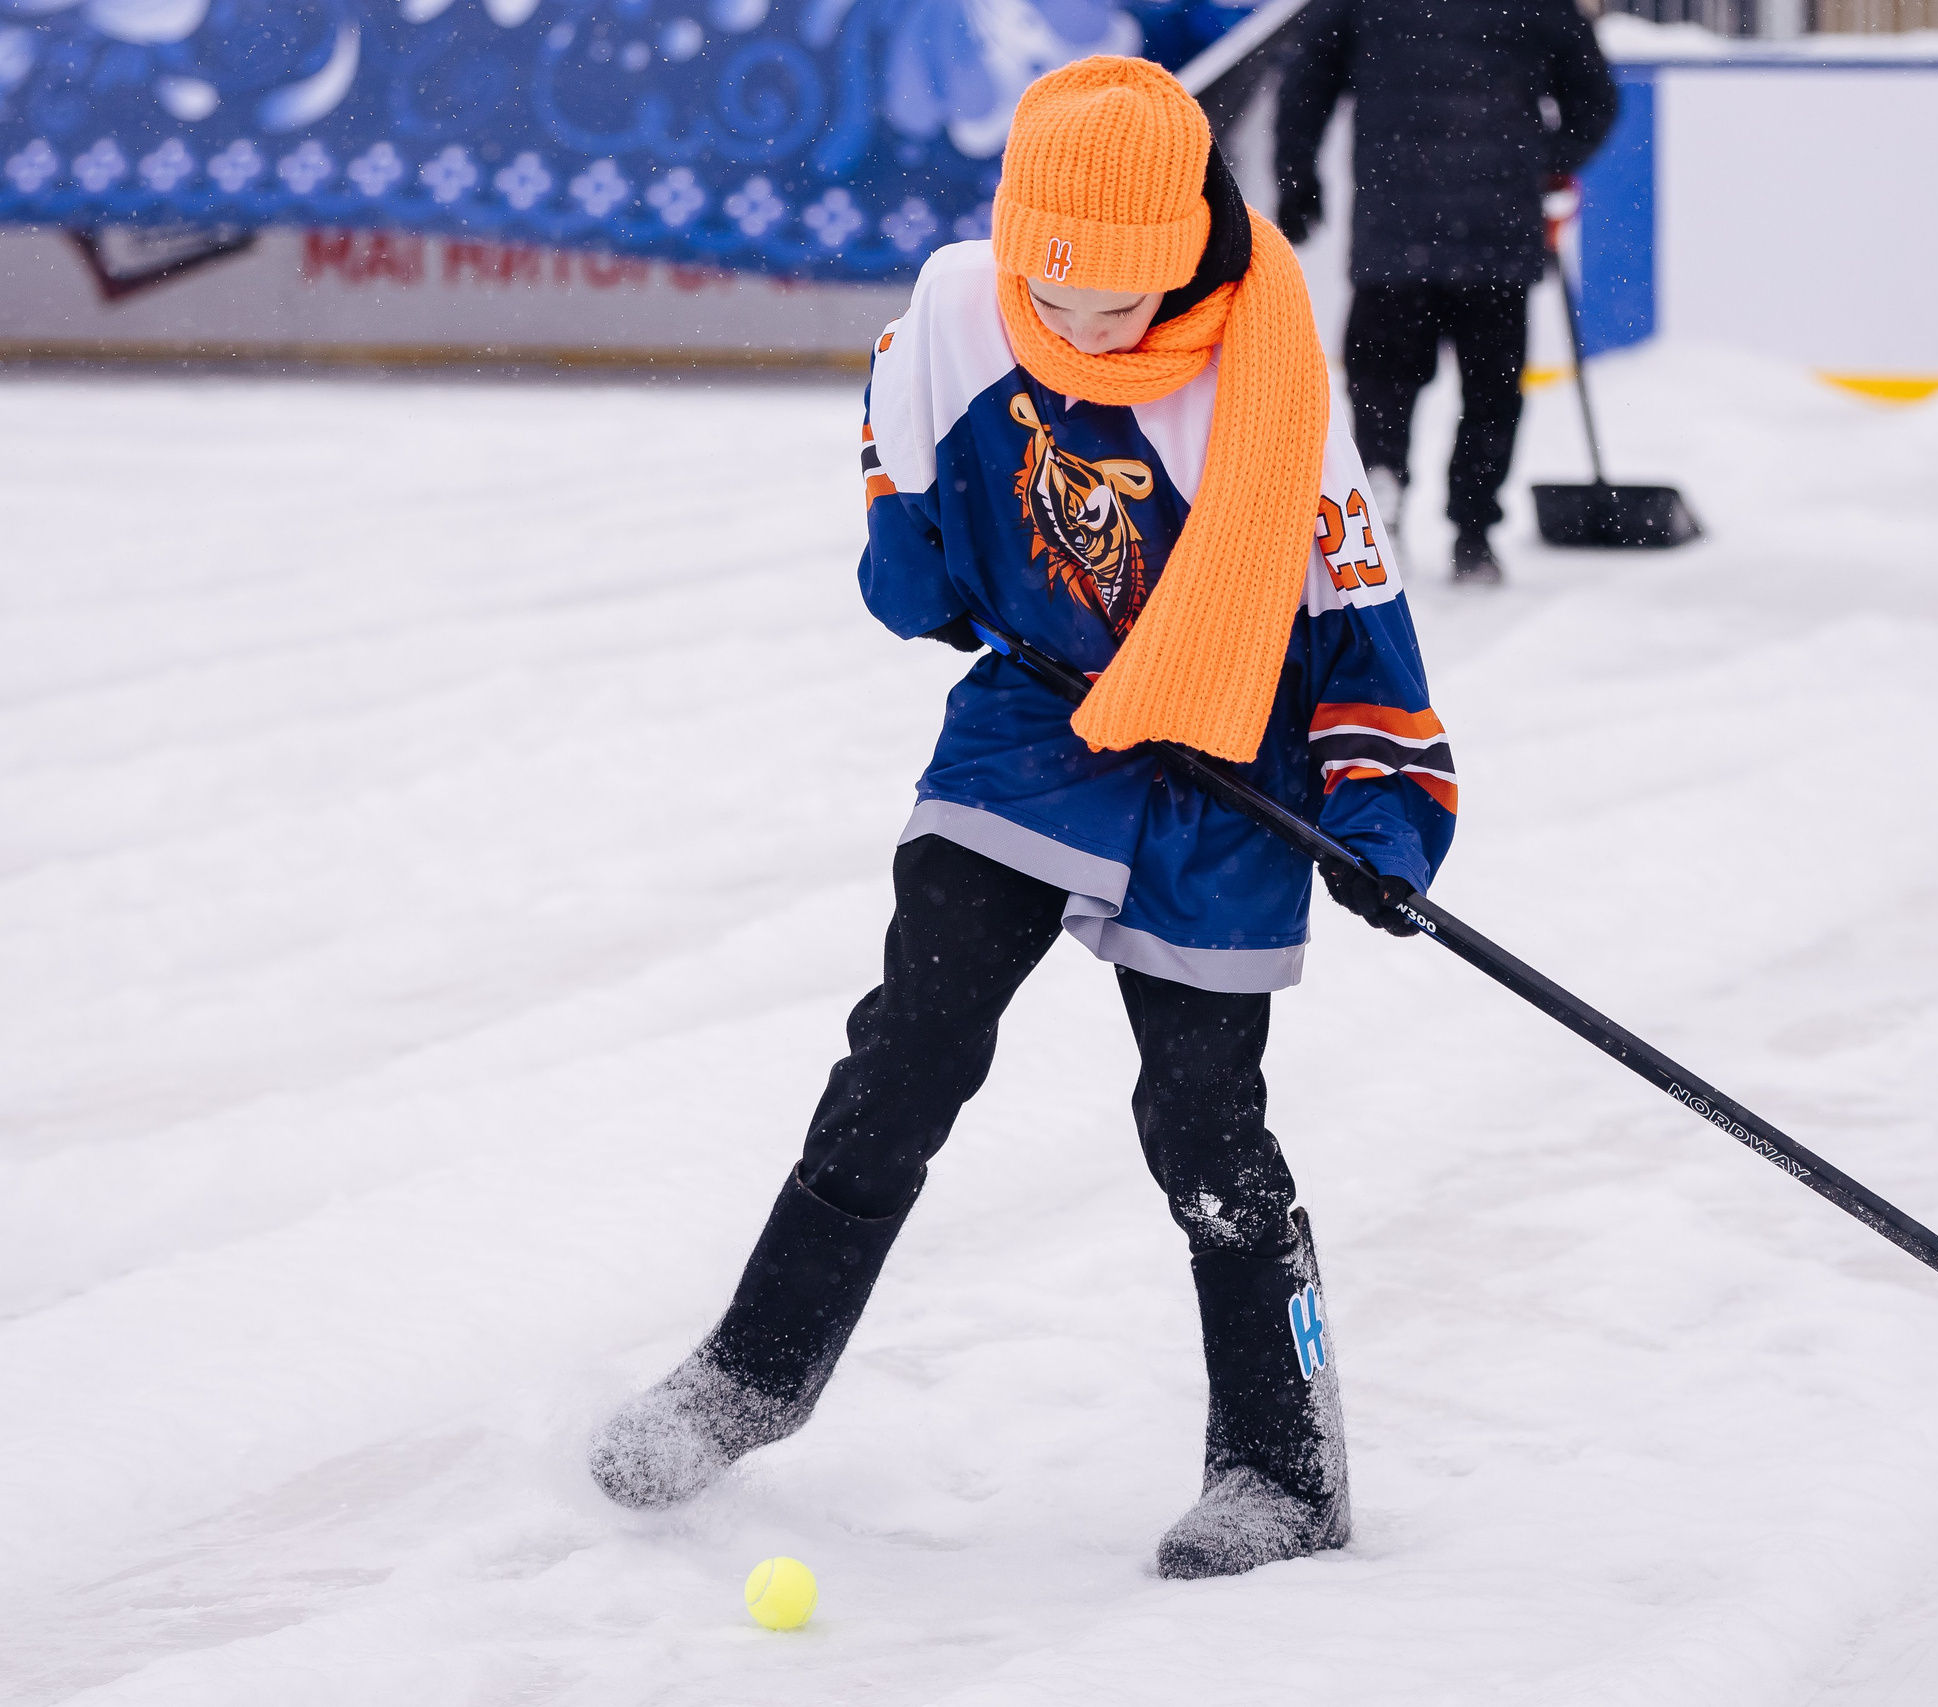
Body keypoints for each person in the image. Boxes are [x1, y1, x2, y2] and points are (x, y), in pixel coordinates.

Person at [587, 57, 1459, 1581]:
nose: (1080, 332)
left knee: (1202, 1127)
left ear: (1184, 246)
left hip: (1228, 757)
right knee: (907, 1046)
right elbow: (893, 432)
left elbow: (1357, 620)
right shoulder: (960, 302)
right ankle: (752, 1369)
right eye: (1053, 299)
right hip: (1039, 715)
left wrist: (1385, 812)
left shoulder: (1268, 388)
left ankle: (1283, 1461)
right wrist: (904, 542)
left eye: (1117, 305)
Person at [1273, 0, 1618, 587]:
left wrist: (1296, 173)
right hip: (1496, 234)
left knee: (1382, 377)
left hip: (1393, 231)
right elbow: (1596, 99)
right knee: (1491, 389)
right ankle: (1474, 531)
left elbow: (1307, 78)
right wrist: (1548, 164)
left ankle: (1382, 480)